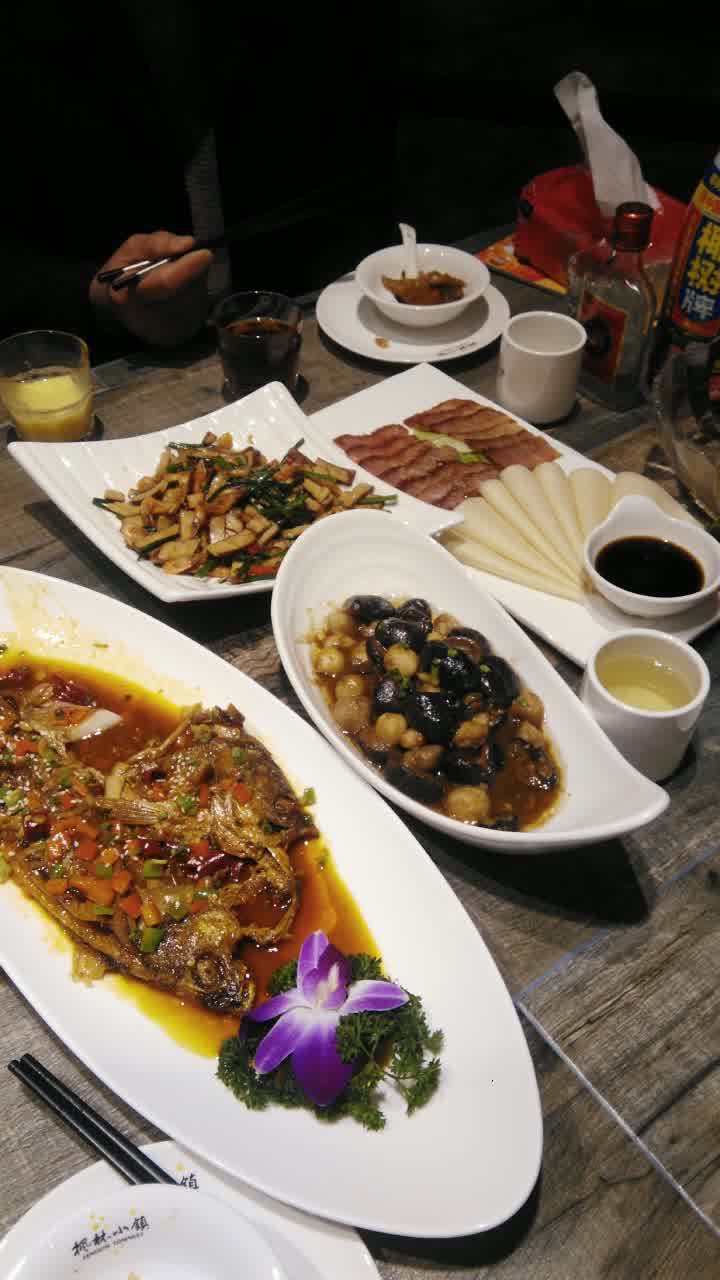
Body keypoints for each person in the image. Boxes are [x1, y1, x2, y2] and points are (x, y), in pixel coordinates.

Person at [3, 3, 397, 362]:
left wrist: (341, 305)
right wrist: (97, 298)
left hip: (314, 327)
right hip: (95, 360)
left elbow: (358, 184)